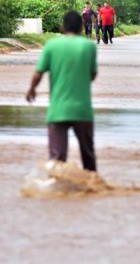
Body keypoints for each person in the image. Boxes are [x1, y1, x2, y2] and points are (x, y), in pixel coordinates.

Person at [26, 11, 98, 172]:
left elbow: (38, 73)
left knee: (56, 158)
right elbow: (92, 75)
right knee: (88, 157)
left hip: (58, 110)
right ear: (81, 27)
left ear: (62, 27)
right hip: (82, 111)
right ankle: (92, 190)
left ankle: (54, 188)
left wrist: (31, 90)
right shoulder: (89, 46)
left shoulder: (52, 45)